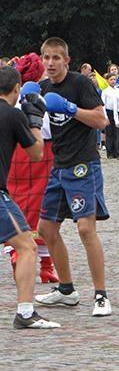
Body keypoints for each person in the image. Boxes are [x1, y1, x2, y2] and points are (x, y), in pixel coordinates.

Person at [34, 37, 112, 317]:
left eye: (56, 58)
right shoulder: (43, 88)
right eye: (46, 58)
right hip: (59, 166)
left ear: (66, 60)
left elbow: (102, 121)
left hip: (83, 165)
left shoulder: (80, 84)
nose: (51, 63)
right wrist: (29, 106)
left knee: (85, 229)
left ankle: (101, 295)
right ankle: (66, 290)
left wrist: (71, 108)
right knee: (46, 229)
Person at [0, 66, 60, 329]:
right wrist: (34, 120)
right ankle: (25, 313)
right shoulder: (12, 114)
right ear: (17, 89)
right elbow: (36, 153)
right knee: (27, 247)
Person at [101, 74, 119, 159]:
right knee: (109, 133)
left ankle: (116, 151)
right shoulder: (105, 91)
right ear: (107, 81)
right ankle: (110, 152)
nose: (113, 81)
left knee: (116, 132)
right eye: (111, 79)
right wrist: (105, 117)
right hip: (108, 112)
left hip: (116, 112)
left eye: (114, 79)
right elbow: (103, 105)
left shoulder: (118, 91)